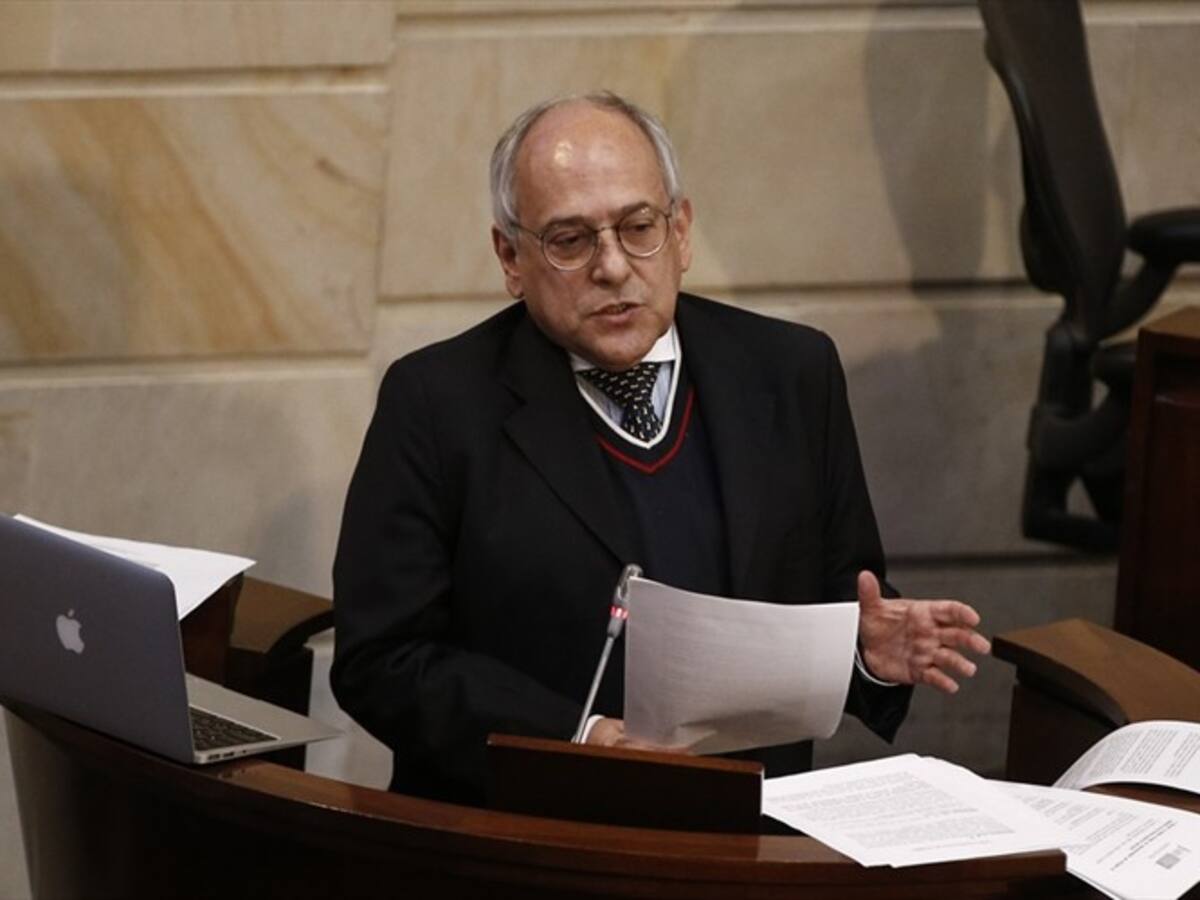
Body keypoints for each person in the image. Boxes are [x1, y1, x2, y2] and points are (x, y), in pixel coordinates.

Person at [331, 91, 991, 804]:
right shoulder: (437, 404)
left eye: (637, 227)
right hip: (531, 833)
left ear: (680, 232)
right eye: (570, 240)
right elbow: (382, 659)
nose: (613, 267)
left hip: (749, 831)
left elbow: (844, 599)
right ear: (510, 258)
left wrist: (865, 657)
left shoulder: (791, 374)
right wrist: (580, 739)